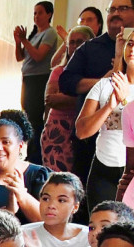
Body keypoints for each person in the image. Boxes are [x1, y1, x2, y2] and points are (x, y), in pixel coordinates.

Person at [58, 2, 134, 195]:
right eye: (112, 9)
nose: (116, 13)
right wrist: (102, 82)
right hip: (93, 149)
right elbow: (66, 81)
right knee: (91, 213)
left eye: (123, 8)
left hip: (127, 160)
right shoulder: (90, 48)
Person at [77, 31, 134, 210]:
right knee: (101, 228)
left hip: (131, 172)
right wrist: (110, 104)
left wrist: (125, 101)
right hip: (103, 167)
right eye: (131, 43)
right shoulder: (105, 85)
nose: (133, 48)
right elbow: (81, 131)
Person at [14, 1, 61, 165]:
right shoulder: (35, 34)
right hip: (28, 78)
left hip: (39, 78)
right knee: (27, 113)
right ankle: (31, 151)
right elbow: (20, 57)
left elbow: (39, 56)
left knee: (35, 117)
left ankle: (35, 155)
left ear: (49, 14)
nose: (36, 16)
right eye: (34, 13)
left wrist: (24, 40)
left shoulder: (50, 33)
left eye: (40, 12)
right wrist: (18, 41)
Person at [44, 26, 96, 173]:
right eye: (71, 42)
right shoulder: (59, 71)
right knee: (58, 179)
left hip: (85, 131)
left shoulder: (95, 72)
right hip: (57, 130)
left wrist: (70, 95)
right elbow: (51, 99)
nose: (74, 46)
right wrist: (86, 98)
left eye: (80, 42)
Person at [24, 172, 90, 247]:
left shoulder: (89, 238)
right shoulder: (24, 235)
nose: (51, 205)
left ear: (75, 207)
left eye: (61, 200)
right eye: (46, 199)